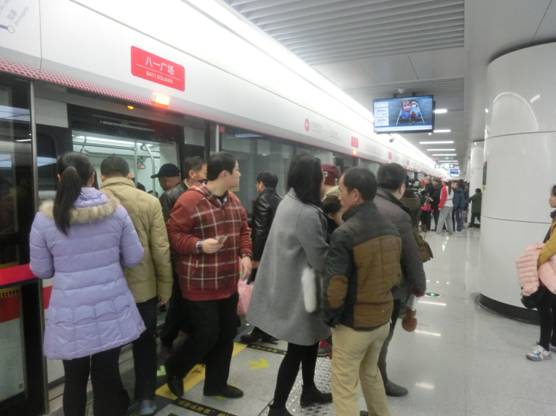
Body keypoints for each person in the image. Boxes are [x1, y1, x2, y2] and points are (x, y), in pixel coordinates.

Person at [29, 152, 145, 416]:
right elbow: (134, 256)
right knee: (107, 374)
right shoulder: (116, 211)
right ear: (92, 176)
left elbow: (42, 269)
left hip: (70, 313)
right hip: (111, 307)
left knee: (74, 380)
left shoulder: (45, 218)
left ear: (59, 178)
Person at [247, 154, 332, 416]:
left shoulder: (289, 200)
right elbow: (320, 259)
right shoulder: (306, 213)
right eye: (321, 177)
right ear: (313, 180)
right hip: (301, 291)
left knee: (309, 341)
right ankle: (278, 407)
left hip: (294, 284)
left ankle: (308, 389)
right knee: (297, 348)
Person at [165, 152, 252, 399]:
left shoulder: (234, 201)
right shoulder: (190, 200)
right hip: (199, 283)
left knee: (226, 334)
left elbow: (244, 230)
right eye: (237, 170)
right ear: (224, 174)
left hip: (227, 282)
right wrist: (199, 245)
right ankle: (175, 368)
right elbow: (174, 235)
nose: (240, 174)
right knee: (206, 334)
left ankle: (216, 384)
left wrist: (245, 254)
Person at [324, 167, 401, 416]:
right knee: (370, 373)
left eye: (342, 190)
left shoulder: (345, 234)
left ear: (355, 195)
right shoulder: (390, 226)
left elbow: (335, 285)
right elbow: (395, 276)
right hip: (382, 320)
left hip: (354, 325)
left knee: (344, 386)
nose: (339, 195)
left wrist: (331, 317)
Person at [100, 156, 173, 416]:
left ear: (102, 176)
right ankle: (146, 399)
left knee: (107, 351)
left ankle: (114, 402)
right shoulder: (150, 201)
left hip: (106, 292)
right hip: (144, 291)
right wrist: (165, 288)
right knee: (144, 345)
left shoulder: (93, 201)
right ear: (129, 174)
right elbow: (160, 249)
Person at [373, 163, 426, 397]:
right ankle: (381, 381)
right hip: (389, 289)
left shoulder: (363, 204)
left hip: (361, 285)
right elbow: (411, 257)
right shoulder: (398, 215)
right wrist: (419, 286)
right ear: (402, 186)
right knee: (383, 338)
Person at [159, 156, 207, 356]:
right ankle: (168, 339)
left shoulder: (205, 193)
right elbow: (167, 231)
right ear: (192, 173)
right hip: (180, 258)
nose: (207, 177)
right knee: (179, 300)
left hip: (199, 254)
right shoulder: (171, 196)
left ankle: (184, 336)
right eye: (204, 173)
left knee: (189, 301)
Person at [241, 171, 281, 344]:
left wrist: (255, 257)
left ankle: (259, 331)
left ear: (261, 184)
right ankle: (267, 330)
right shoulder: (279, 199)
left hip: (264, 254)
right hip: (276, 253)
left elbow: (260, 231)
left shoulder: (262, 199)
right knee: (270, 293)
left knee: (260, 294)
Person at [159, 156, 207, 221]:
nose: (208, 177)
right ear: (192, 174)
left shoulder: (206, 192)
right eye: (205, 174)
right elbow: (167, 223)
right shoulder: (169, 197)